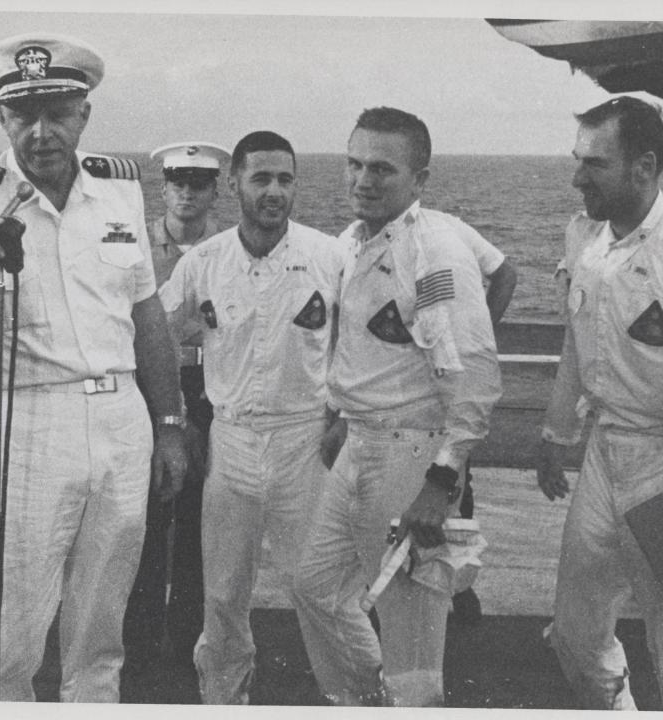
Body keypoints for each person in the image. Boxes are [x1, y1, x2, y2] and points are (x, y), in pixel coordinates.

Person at [0, 32, 189, 702]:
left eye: (59, 112)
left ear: (84, 115)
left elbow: (147, 317)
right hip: (22, 422)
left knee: (100, 628)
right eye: (24, 114)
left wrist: (168, 424)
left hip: (120, 418)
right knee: (12, 637)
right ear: (2, 120)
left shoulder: (118, 195)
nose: (42, 131)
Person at [292, 106, 501, 706]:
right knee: (315, 588)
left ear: (420, 178)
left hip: (413, 451)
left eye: (382, 168)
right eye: (354, 164)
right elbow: (351, 342)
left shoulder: (433, 252)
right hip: (360, 440)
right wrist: (337, 413)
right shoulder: (351, 242)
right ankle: (366, 703)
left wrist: (443, 479)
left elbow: (474, 377)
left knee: (411, 640)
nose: (363, 180)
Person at [158, 130, 345, 704]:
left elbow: (361, 341)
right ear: (235, 182)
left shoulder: (330, 257)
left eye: (285, 179)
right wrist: (177, 415)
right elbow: (154, 334)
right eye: (261, 178)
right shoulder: (203, 264)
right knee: (222, 592)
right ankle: (224, 696)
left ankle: (350, 698)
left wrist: (345, 413)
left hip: (305, 440)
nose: (274, 191)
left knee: (321, 590)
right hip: (232, 440)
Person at [537, 96, 663, 710]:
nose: (577, 177)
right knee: (576, 633)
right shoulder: (581, 233)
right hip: (604, 451)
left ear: (644, 168)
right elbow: (575, 337)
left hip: (660, 456)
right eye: (577, 159)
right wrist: (557, 434)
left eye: (595, 164)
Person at [124, 141, 230, 666]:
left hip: (212, 393)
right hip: (153, 392)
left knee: (200, 522)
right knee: (146, 518)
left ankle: (191, 638)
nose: (187, 193)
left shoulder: (232, 250)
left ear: (215, 191)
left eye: (199, 184)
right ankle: (140, 640)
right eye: (178, 183)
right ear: (162, 188)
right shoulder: (136, 246)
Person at [451, 227, 517, 623]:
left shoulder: (448, 229)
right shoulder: (354, 239)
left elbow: (506, 274)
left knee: (456, 482)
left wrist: (481, 334)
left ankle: (460, 590)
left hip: (450, 381)